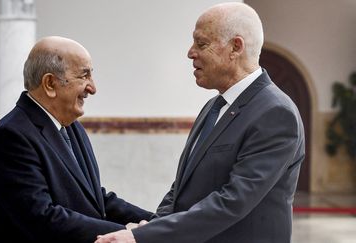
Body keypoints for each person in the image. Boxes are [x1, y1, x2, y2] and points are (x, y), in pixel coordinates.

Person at [95, 2, 305, 243]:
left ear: (235, 47)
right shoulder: (214, 107)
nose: (190, 52)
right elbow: (181, 189)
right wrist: (153, 225)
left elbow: (233, 201)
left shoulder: (275, 112)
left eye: (201, 43)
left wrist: (142, 237)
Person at [0, 36, 152, 243]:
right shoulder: (10, 136)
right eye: (84, 75)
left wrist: (157, 224)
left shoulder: (72, 127)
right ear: (50, 83)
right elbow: (43, 218)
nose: (92, 88)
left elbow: (96, 199)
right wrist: (127, 233)